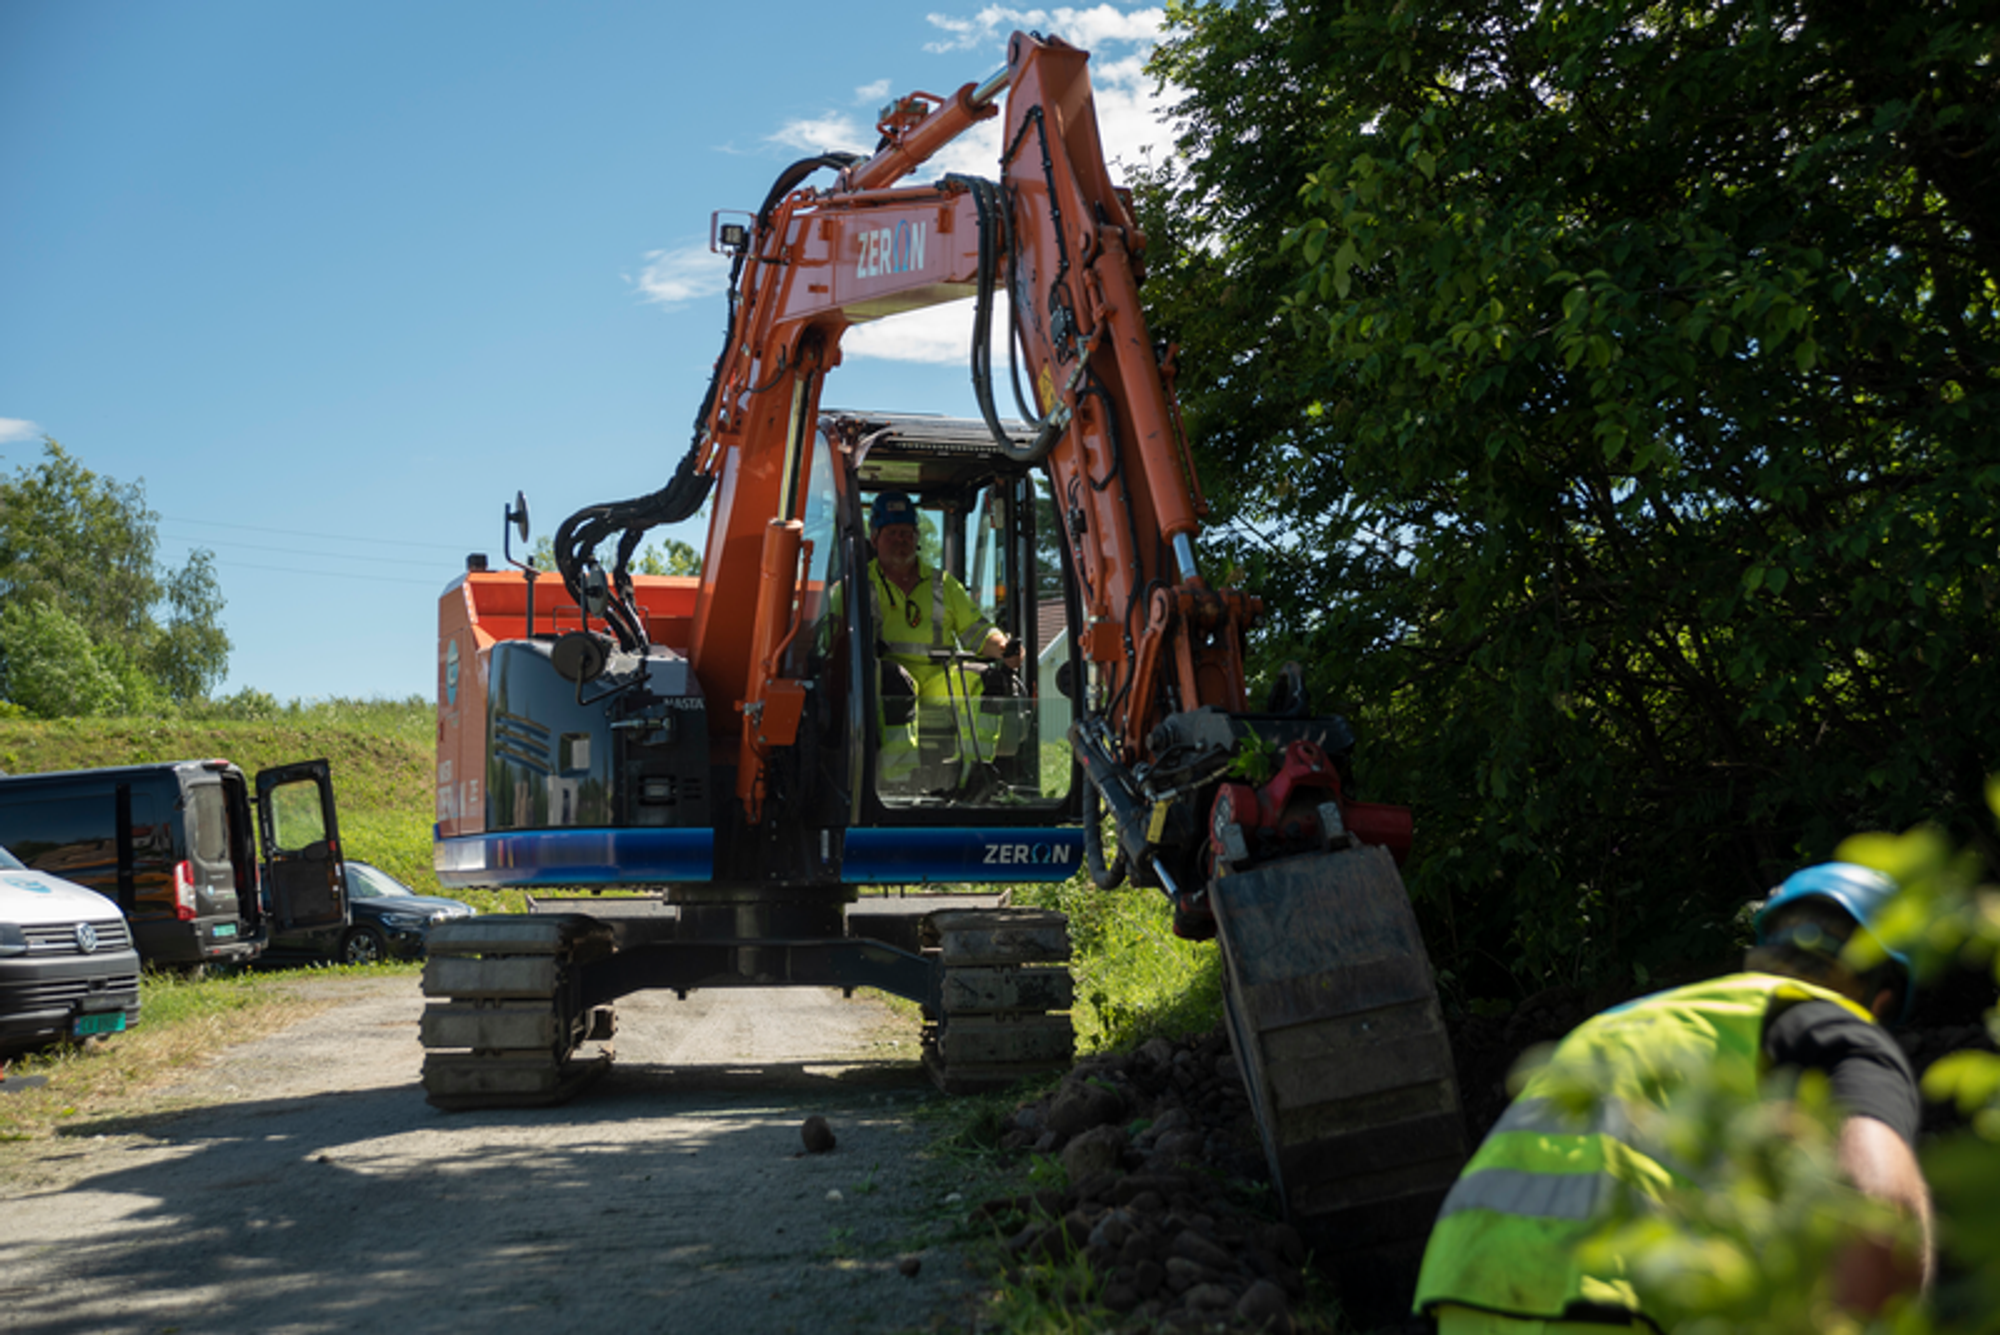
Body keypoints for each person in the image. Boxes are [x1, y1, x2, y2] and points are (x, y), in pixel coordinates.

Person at [1415, 861, 1934, 1332]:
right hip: (1610, 1298)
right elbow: (1879, 1212)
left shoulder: (1631, 1020)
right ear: (1883, 996)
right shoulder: (1831, 1023)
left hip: (1467, 1284)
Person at [865, 490, 1024, 790]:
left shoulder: (943, 584)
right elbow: (834, 639)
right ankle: (901, 781)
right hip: (885, 680)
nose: (901, 540)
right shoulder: (858, 584)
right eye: (893, 533)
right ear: (874, 539)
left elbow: (977, 630)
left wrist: (1004, 647)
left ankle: (976, 773)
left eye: (907, 533)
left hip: (939, 679)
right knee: (894, 680)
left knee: (987, 679)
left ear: (917, 537)